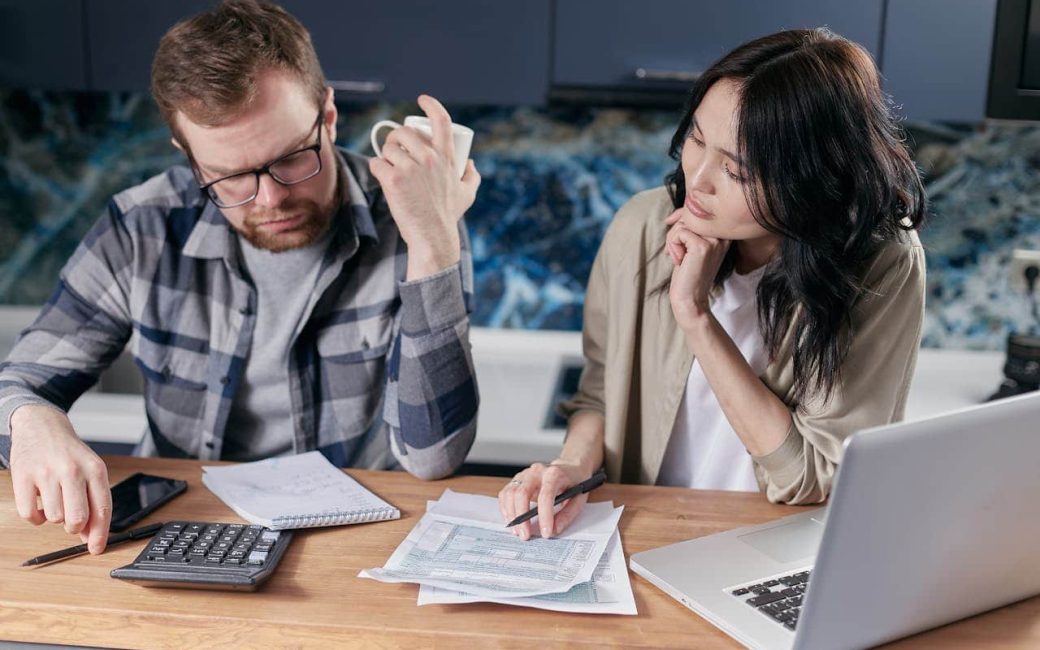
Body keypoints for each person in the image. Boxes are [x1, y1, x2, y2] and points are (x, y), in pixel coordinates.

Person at [0, 0, 480, 554]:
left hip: (349, 540)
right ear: (187, 154)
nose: (272, 198)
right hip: (179, 532)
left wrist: (434, 244)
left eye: (293, 157)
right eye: (228, 177)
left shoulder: (419, 217)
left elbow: (434, 456)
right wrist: (34, 420)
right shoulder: (142, 226)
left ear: (327, 116)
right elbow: (20, 382)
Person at [499, 28, 926, 540]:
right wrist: (571, 467)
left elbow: (811, 476)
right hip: (646, 537)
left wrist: (695, 315)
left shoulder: (880, 265)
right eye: (697, 139)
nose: (697, 179)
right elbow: (600, 395)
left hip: (777, 551)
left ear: (809, 179)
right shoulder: (642, 226)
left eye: (736, 170)